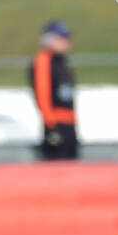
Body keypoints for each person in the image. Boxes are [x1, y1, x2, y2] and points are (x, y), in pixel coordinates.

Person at [30, 20, 78, 161]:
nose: (66, 42)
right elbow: (42, 93)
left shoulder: (62, 61)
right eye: (61, 39)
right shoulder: (44, 61)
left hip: (69, 124)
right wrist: (51, 125)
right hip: (56, 124)